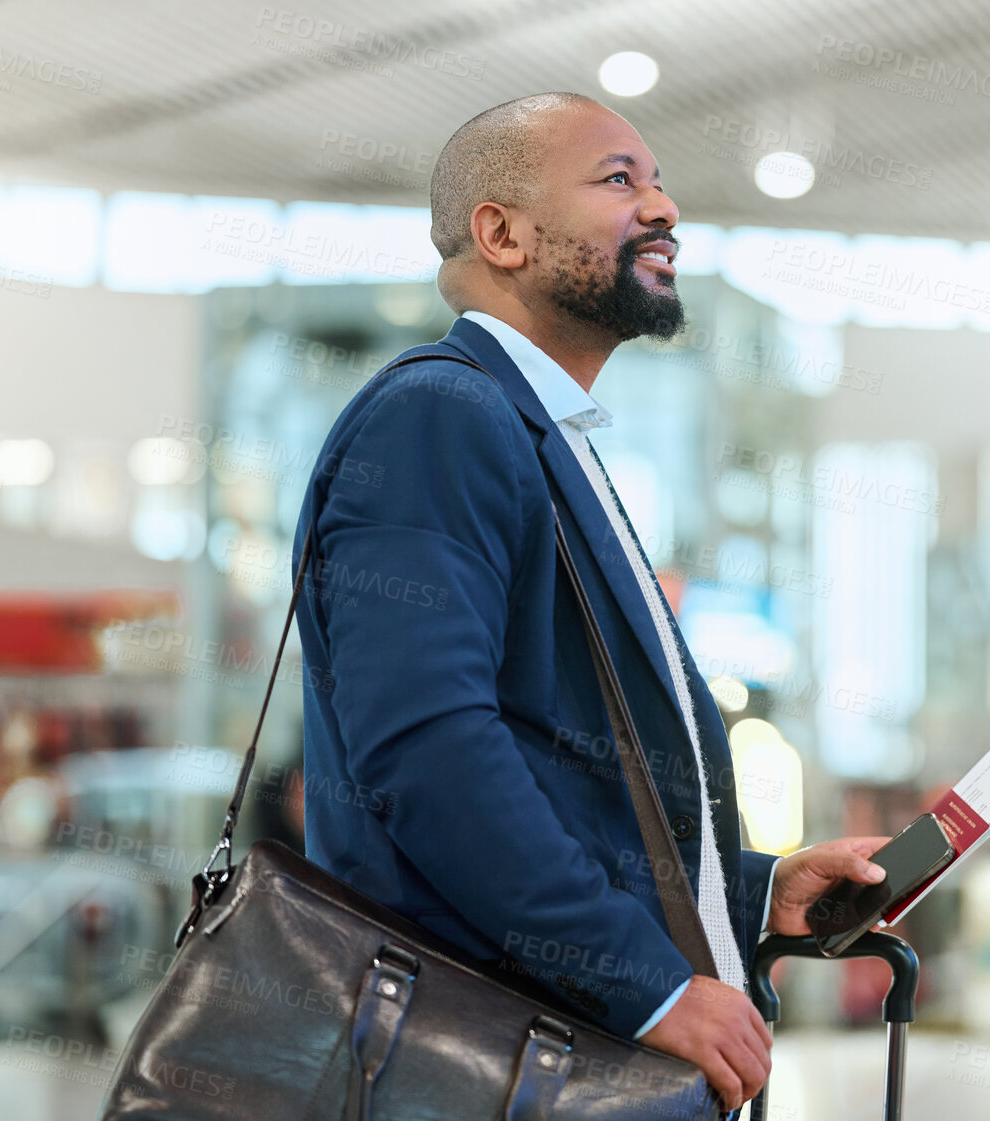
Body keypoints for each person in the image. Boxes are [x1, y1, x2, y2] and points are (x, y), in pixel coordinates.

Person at [292, 92, 887, 1112]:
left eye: (657, 182)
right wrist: (647, 984)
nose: (662, 207)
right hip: (490, 1064)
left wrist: (745, 893)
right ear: (502, 232)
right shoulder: (439, 417)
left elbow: (560, 772)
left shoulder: (537, 433)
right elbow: (428, 753)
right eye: (619, 179)